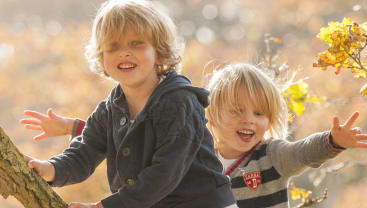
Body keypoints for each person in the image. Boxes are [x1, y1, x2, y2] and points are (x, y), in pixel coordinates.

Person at [24, 63, 367, 208]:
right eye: (236, 110)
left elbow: (303, 152)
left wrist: (334, 142)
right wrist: (73, 127)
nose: (248, 120)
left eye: (259, 113)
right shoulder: (193, 150)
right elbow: (133, 138)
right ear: (211, 113)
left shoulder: (272, 154)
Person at [21, 0, 236, 207]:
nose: (124, 52)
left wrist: (104, 206)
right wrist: (49, 168)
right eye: (113, 46)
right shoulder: (109, 109)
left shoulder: (179, 101)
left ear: (159, 53)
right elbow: (83, 154)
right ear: (102, 58)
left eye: (136, 44)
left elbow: (165, 173)